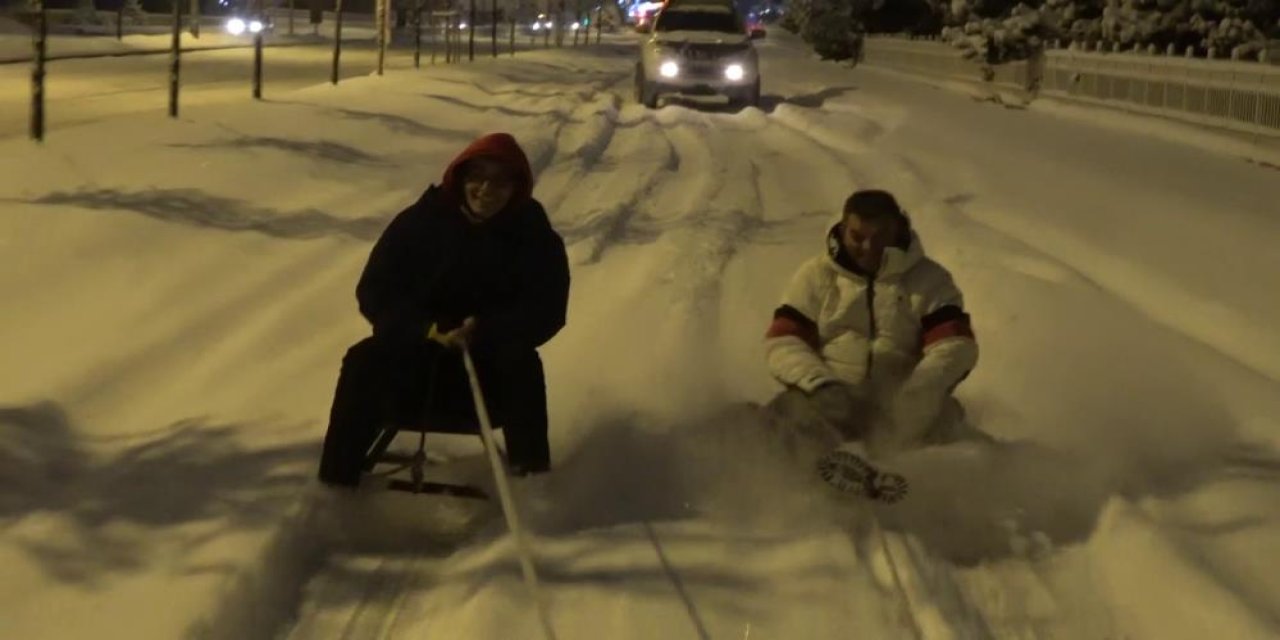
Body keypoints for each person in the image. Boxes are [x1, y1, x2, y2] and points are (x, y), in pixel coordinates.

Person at [318, 133, 571, 487]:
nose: (486, 189)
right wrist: (427, 329)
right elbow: (376, 291)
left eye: (500, 181)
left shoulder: (535, 238)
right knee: (363, 360)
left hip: (487, 375)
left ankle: (533, 485)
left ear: (517, 187)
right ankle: (334, 482)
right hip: (415, 366)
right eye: (477, 177)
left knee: (523, 365)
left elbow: (546, 310)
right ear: (460, 177)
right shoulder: (419, 224)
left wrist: (485, 331)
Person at [762, 189, 980, 467]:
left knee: (951, 421)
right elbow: (784, 340)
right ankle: (804, 485)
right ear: (842, 230)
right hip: (831, 400)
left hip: (899, 406)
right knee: (783, 416)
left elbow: (954, 344)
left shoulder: (930, 280)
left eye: (880, 238)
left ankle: (941, 485)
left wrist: (918, 394)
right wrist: (819, 385)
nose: (868, 247)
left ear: (898, 230)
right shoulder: (816, 275)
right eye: (858, 237)